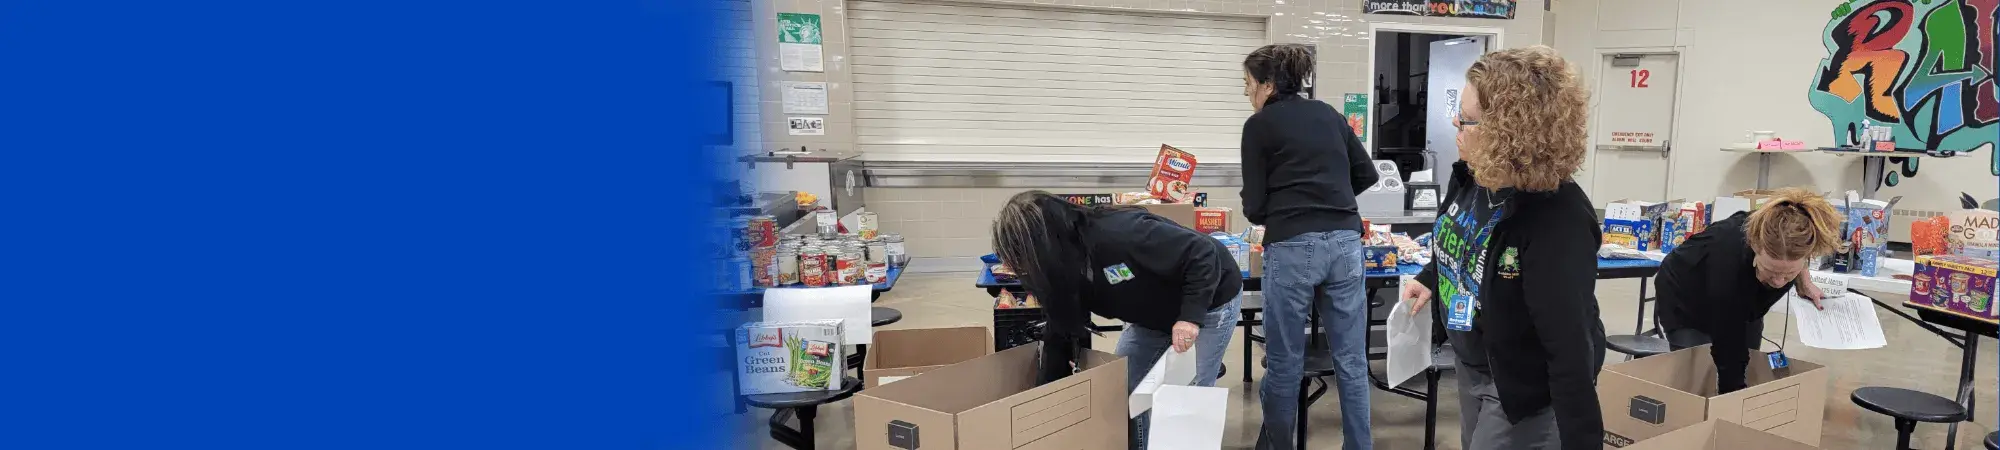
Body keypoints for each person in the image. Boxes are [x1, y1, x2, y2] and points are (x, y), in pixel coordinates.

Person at [1400, 46, 1606, 450]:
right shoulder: (1474, 177)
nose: (1455, 125)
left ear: (1511, 132)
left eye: (1468, 120)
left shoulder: (1558, 218)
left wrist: (1583, 439)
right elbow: (1460, 240)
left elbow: (1569, 346)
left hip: (1519, 383)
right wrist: (1430, 276)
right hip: (1472, 361)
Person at [991, 191, 1241, 450]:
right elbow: (1060, 333)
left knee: (1187, 397)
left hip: (1210, 300)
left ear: (1044, 243)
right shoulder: (1061, 272)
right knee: (1123, 388)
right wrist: (1043, 406)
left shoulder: (1121, 234)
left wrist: (1190, 317)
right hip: (1152, 315)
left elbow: (1202, 252)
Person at [1237, 43, 1379, 450]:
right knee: (1352, 362)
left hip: (1293, 246)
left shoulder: (1259, 126)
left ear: (1266, 84)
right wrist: (1330, 202)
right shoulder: (1329, 114)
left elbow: (1254, 205)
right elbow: (1365, 173)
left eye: (1248, 84)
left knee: (1285, 363)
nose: (1247, 93)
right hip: (1345, 244)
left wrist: (1289, 211)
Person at [1655, 188, 1840, 394]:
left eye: (1788, 274)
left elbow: (1796, 254)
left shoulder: (1784, 235)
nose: (1779, 282)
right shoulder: (1727, 261)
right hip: (1685, 295)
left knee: (1749, 361)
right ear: (1754, 246)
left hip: (1742, 297)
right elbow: (1728, 345)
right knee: (1699, 375)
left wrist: (1804, 281)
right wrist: (1734, 398)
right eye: (1770, 271)